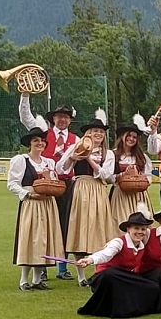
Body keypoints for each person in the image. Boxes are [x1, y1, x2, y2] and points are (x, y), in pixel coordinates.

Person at [75, 211, 161, 319]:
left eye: (142, 229)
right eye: (136, 228)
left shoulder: (142, 246)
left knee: (152, 287)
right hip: (106, 277)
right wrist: (89, 260)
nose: (140, 232)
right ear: (128, 229)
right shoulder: (118, 242)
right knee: (112, 274)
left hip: (126, 277)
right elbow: (105, 254)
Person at [18, 95, 78, 280]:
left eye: (66, 117)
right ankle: (42, 266)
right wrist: (25, 96)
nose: (63, 119)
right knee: (44, 226)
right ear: (53, 119)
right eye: (59, 116)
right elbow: (25, 116)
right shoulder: (44, 133)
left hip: (65, 184)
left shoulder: (77, 139)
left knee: (65, 225)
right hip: (44, 186)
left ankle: (62, 267)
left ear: (70, 120)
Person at [58, 113, 116, 287]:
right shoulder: (76, 146)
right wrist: (72, 158)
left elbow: (106, 175)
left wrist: (88, 158)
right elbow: (61, 167)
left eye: (100, 131)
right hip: (81, 189)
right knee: (81, 229)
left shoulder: (109, 153)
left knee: (99, 229)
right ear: (88, 133)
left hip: (98, 190)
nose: (98, 134)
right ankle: (81, 275)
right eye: (94, 131)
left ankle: (99, 271)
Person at [7, 127, 65, 290]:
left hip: (47, 204)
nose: (39, 143)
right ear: (30, 144)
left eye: (42, 141)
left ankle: (37, 280)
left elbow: (54, 183)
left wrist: (49, 179)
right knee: (30, 239)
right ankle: (24, 280)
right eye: (35, 141)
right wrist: (29, 194)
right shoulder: (21, 160)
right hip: (32, 203)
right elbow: (12, 184)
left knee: (45, 239)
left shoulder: (49, 162)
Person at [108, 123, 153, 226]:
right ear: (122, 137)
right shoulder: (112, 155)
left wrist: (140, 179)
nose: (131, 139)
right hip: (120, 195)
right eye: (128, 135)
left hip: (139, 195)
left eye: (134, 137)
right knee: (120, 222)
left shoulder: (142, 156)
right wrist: (121, 176)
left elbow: (148, 176)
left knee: (141, 223)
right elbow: (108, 177)